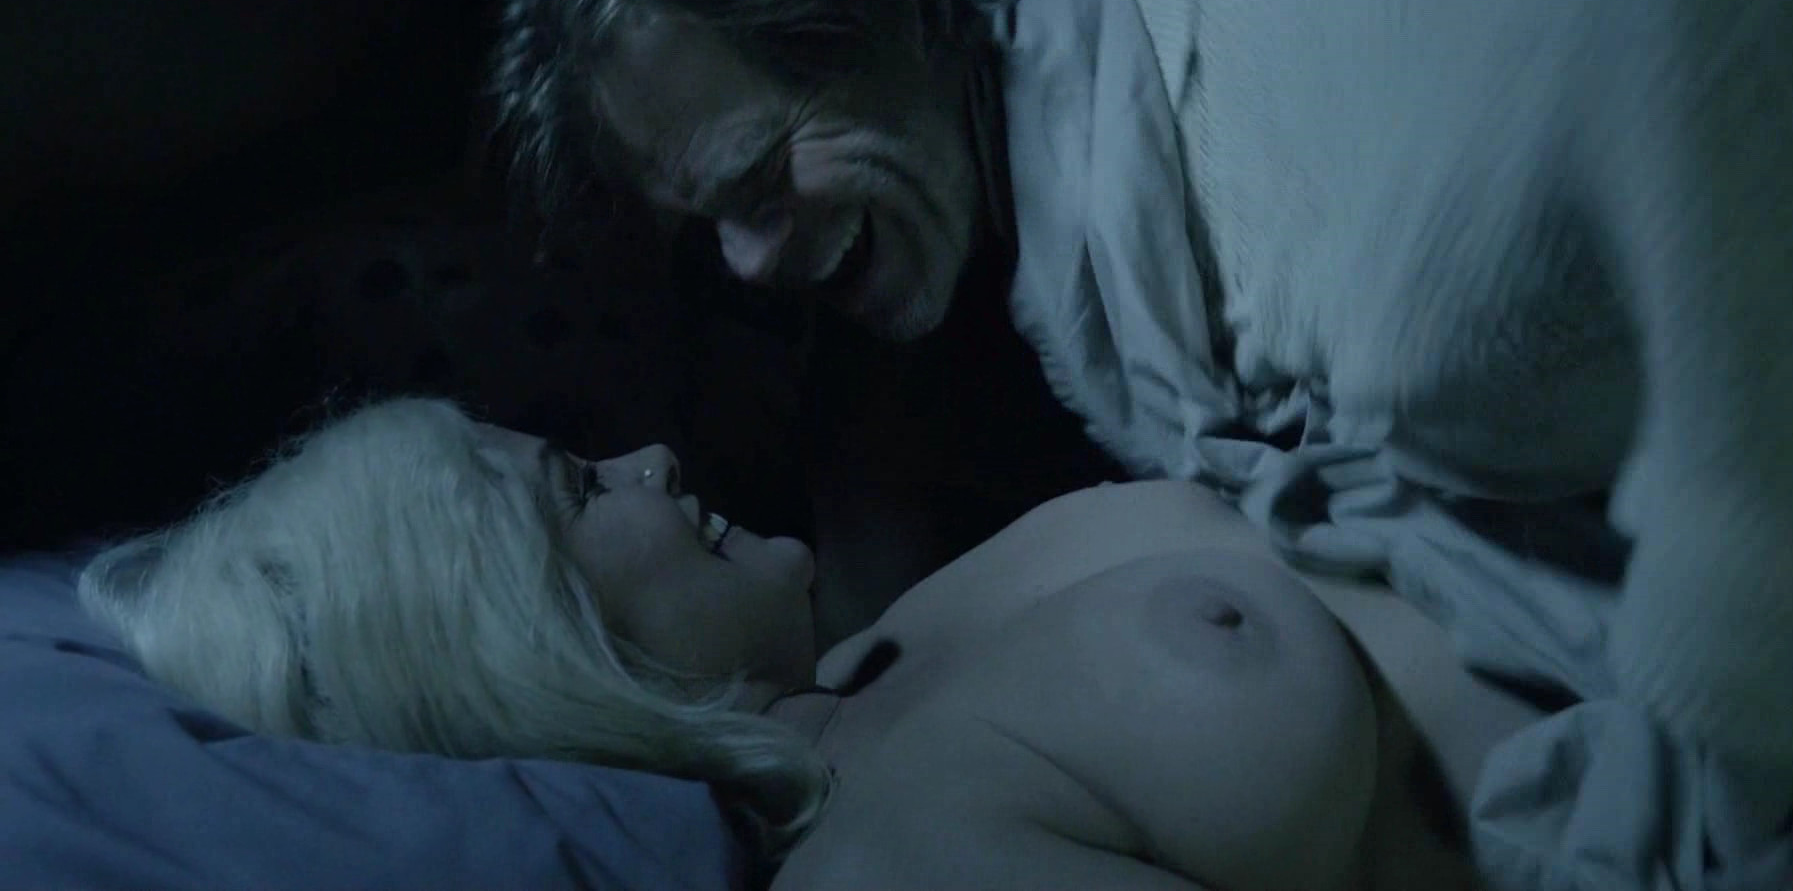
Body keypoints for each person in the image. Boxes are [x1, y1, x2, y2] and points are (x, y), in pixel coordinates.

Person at [487, 0, 1793, 823]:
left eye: (758, 177)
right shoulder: (1014, 288)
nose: (750, 262)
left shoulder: (1247, 47)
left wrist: (1746, 555)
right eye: (708, 226)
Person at [83, 395, 1547, 889]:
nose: (654, 457)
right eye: (583, 489)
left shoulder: (872, 661)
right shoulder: (879, 867)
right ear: (528, 645)